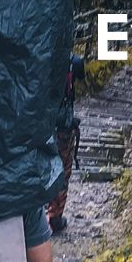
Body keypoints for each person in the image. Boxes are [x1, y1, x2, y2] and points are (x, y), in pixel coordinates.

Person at [47, 53, 85, 234]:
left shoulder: (36, 53)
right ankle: (54, 216)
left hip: (36, 125)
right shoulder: (73, 61)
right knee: (62, 168)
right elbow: (82, 77)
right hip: (62, 126)